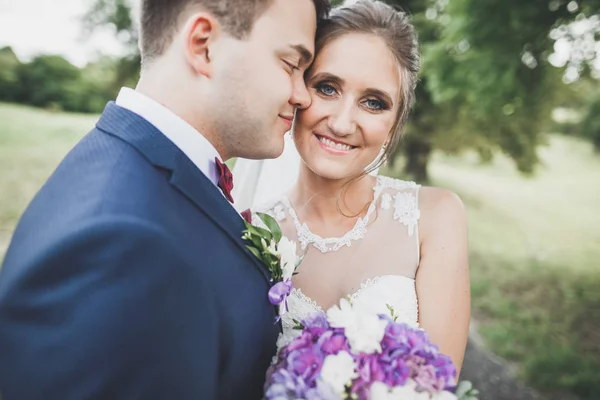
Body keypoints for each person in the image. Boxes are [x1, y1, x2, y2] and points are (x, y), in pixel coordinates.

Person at [0, 0, 329, 399]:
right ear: (204, 45)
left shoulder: (130, 162)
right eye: (291, 64)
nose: (303, 96)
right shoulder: (123, 245)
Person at [237, 0, 471, 376]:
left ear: (395, 123)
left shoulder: (435, 218)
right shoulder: (252, 231)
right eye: (327, 88)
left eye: (374, 102)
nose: (343, 123)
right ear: (297, 91)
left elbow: (440, 383)